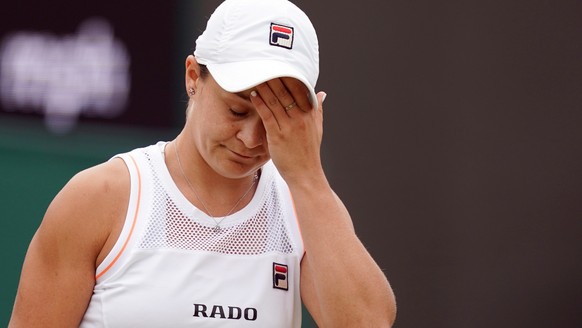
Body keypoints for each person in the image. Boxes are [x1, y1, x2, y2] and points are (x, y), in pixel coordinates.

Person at [9, 0, 396, 326]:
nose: (250, 138)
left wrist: (308, 175)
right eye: (237, 109)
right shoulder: (101, 198)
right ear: (193, 77)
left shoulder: (303, 205)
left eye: (274, 121)